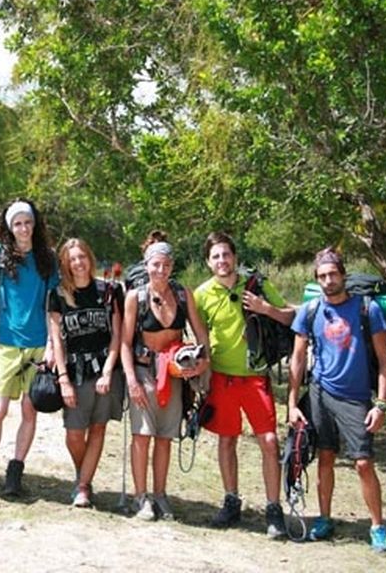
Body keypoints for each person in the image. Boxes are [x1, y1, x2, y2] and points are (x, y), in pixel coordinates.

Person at [288, 247, 386, 553]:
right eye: (322, 276)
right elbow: (297, 360)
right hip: (321, 394)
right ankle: (324, 518)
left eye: (333, 274)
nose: (328, 280)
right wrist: (292, 403)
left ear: (343, 275)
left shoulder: (367, 310)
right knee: (325, 458)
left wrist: (382, 404)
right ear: (316, 279)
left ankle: (377, 527)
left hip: (356, 399)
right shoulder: (310, 311)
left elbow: (385, 361)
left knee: (363, 463)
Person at [193, 231, 293, 537]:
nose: (222, 261)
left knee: (269, 441)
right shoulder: (201, 295)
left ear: (234, 256)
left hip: (255, 378)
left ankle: (274, 509)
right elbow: (200, 338)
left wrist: (266, 309)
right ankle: (231, 500)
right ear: (208, 262)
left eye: (226, 254)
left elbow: (290, 318)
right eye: (215, 257)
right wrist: (201, 375)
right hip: (222, 378)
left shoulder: (256, 285)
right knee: (226, 440)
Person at [0, 198, 59, 497]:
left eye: (27, 222)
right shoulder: (0, 255)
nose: (23, 228)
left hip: (38, 346)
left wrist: (54, 345)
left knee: (29, 412)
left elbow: (54, 305)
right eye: (17, 223)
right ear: (9, 227)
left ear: (35, 224)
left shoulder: (47, 259)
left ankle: (15, 472)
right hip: (8, 343)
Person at [120, 230, 209, 520]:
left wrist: (202, 363)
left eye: (166, 265)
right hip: (145, 371)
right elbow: (124, 342)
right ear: (147, 265)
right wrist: (131, 380)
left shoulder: (183, 295)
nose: (161, 270)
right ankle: (140, 496)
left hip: (174, 373)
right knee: (142, 435)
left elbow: (200, 332)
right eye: (155, 264)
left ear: (172, 266)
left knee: (165, 437)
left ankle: (160, 494)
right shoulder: (136, 297)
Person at [47, 238, 123, 508]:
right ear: (65, 264)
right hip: (75, 371)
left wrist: (107, 371)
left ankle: (82, 487)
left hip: (104, 369)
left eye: (82, 257)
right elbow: (56, 340)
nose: (78, 263)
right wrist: (63, 378)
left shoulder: (109, 291)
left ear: (90, 258)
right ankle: (85, 475)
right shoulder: (57, 294)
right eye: (72, 259)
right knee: (75, 432)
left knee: (98, 428)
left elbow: (117, 335)